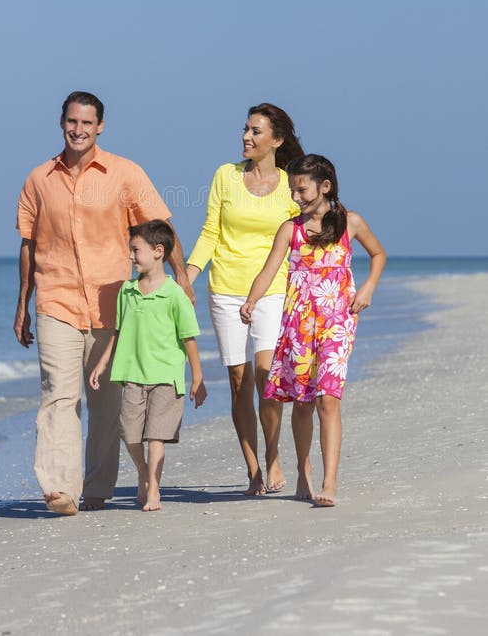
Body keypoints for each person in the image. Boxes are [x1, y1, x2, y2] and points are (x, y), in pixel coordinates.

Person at [13, 91, 193, 516]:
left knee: (107, 404)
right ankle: (60, 488)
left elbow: (161, 229)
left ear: (100, 127)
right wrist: (23, 303)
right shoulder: (39, 179)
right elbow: (28, 245)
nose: (78, 130)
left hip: (113, 305)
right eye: (72, 122)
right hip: (56, 299)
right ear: (61, 123)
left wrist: (181, 278)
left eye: (87, 124)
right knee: (57, 394)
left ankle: (97, 487)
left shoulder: (125, 174)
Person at [240, 154, 386, 507]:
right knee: (302, 403)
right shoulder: (291, 230)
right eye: (292, 189)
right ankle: (303, 473)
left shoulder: (351, 223)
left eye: (301, 189)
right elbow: (268, 269)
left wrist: (366, 289)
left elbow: (378, 254)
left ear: (325, 187)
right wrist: (251, 301)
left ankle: (329, 480)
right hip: (298, 324)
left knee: (328, 400)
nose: (296, 196)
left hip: (338, 321)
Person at [186, 103, 304, 495]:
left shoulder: (292, 184)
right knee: (239, 380)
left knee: (267, 375)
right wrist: (188, 276)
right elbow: (210, 233)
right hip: (225, 287)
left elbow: (303, 237)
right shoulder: (226, 176)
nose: (246, 137)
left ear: (277, 139)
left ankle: (273, 456)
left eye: (255, 131)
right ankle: (253, 466)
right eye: (245, 129)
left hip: (272, 288)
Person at [89, 220, 207, 512]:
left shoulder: (175, 294)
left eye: (135, 250)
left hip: (166, 376)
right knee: (129, 436)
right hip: (131, 374)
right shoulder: (127, 292)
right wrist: (102, 363)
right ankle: (143, 471)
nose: (130, 257)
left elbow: (188, 337)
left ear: (158, 251)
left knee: (156, 435)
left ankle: (153, 487)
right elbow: (118, 332)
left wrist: (197, 377)